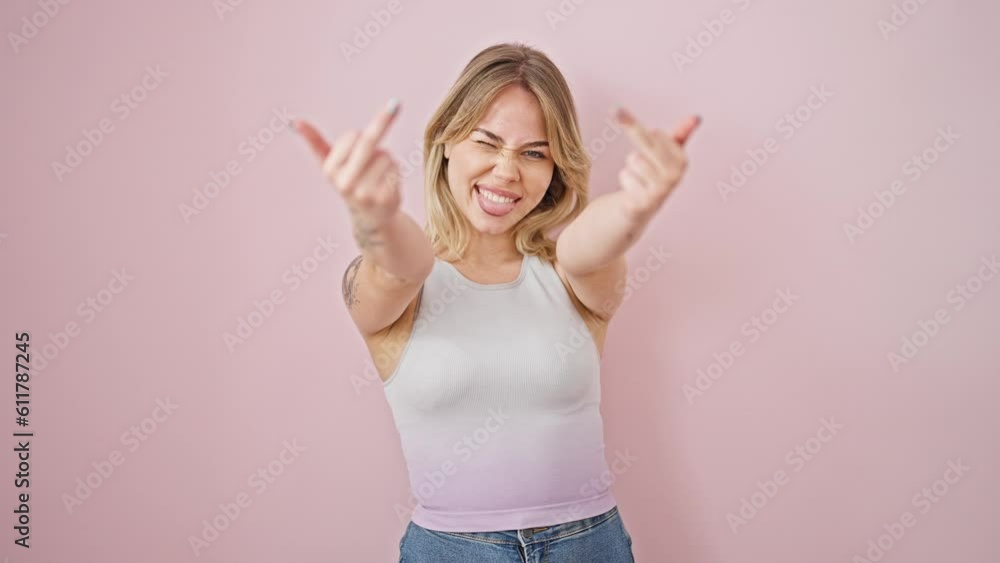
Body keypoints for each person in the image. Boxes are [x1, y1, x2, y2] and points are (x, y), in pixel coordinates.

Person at [294, 42, 699, 563]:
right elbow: (403, 264)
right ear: (445, 141)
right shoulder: (400, 277)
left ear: (556, 168)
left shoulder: (569, 273)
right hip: (449, 550)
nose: (508, 171)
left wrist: (637, 208)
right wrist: (375, 217)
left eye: (534, 152)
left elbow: (589, 242)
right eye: (487, 142)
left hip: (588, 546)